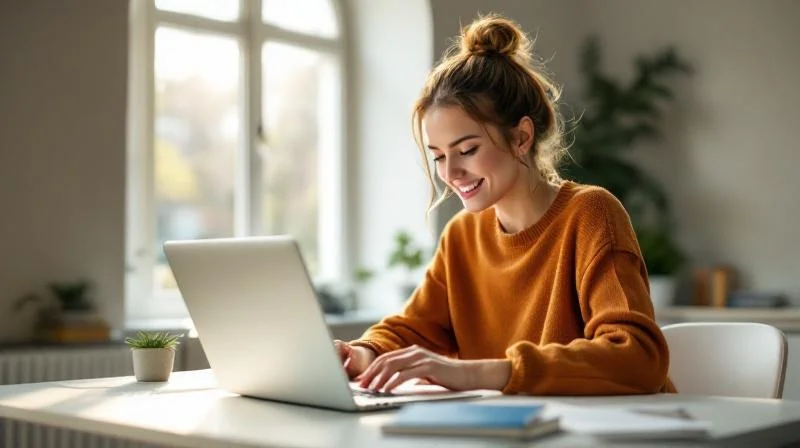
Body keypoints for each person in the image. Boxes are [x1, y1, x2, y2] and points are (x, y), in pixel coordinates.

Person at [334, 14, 675, 396]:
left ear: (522, 137)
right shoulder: (463, 235)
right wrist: (361, 353)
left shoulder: (591, 214)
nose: (452, 172)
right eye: (439, 157)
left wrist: (476, 373)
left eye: (467, 150)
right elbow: (414, 327)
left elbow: (638, 358)